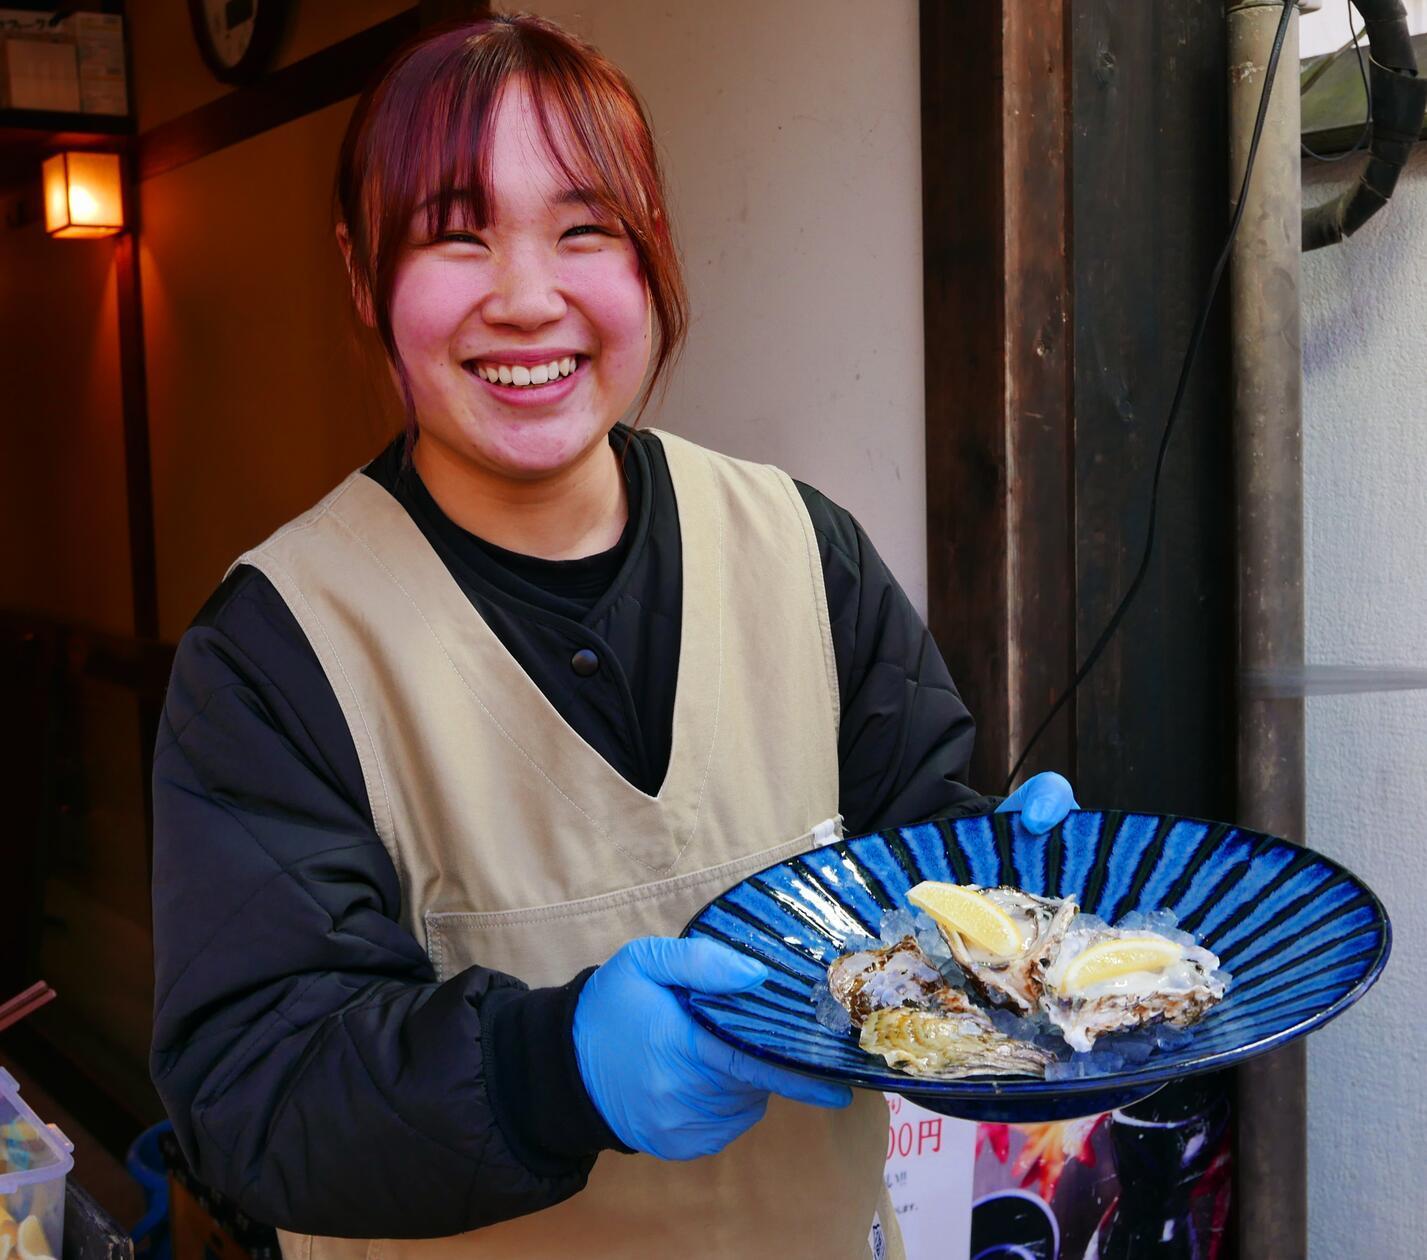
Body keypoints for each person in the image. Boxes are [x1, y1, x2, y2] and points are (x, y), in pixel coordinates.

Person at [149, 14, 1077, 1260]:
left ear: (649, 262)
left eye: (585, 230)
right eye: (454, 234)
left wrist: (1010, 905)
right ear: (365, 276)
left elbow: (912, 863)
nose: (528, 299)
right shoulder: (276, 648)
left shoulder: (801, 549)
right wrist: (556, 1072)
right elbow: (252, 1094)